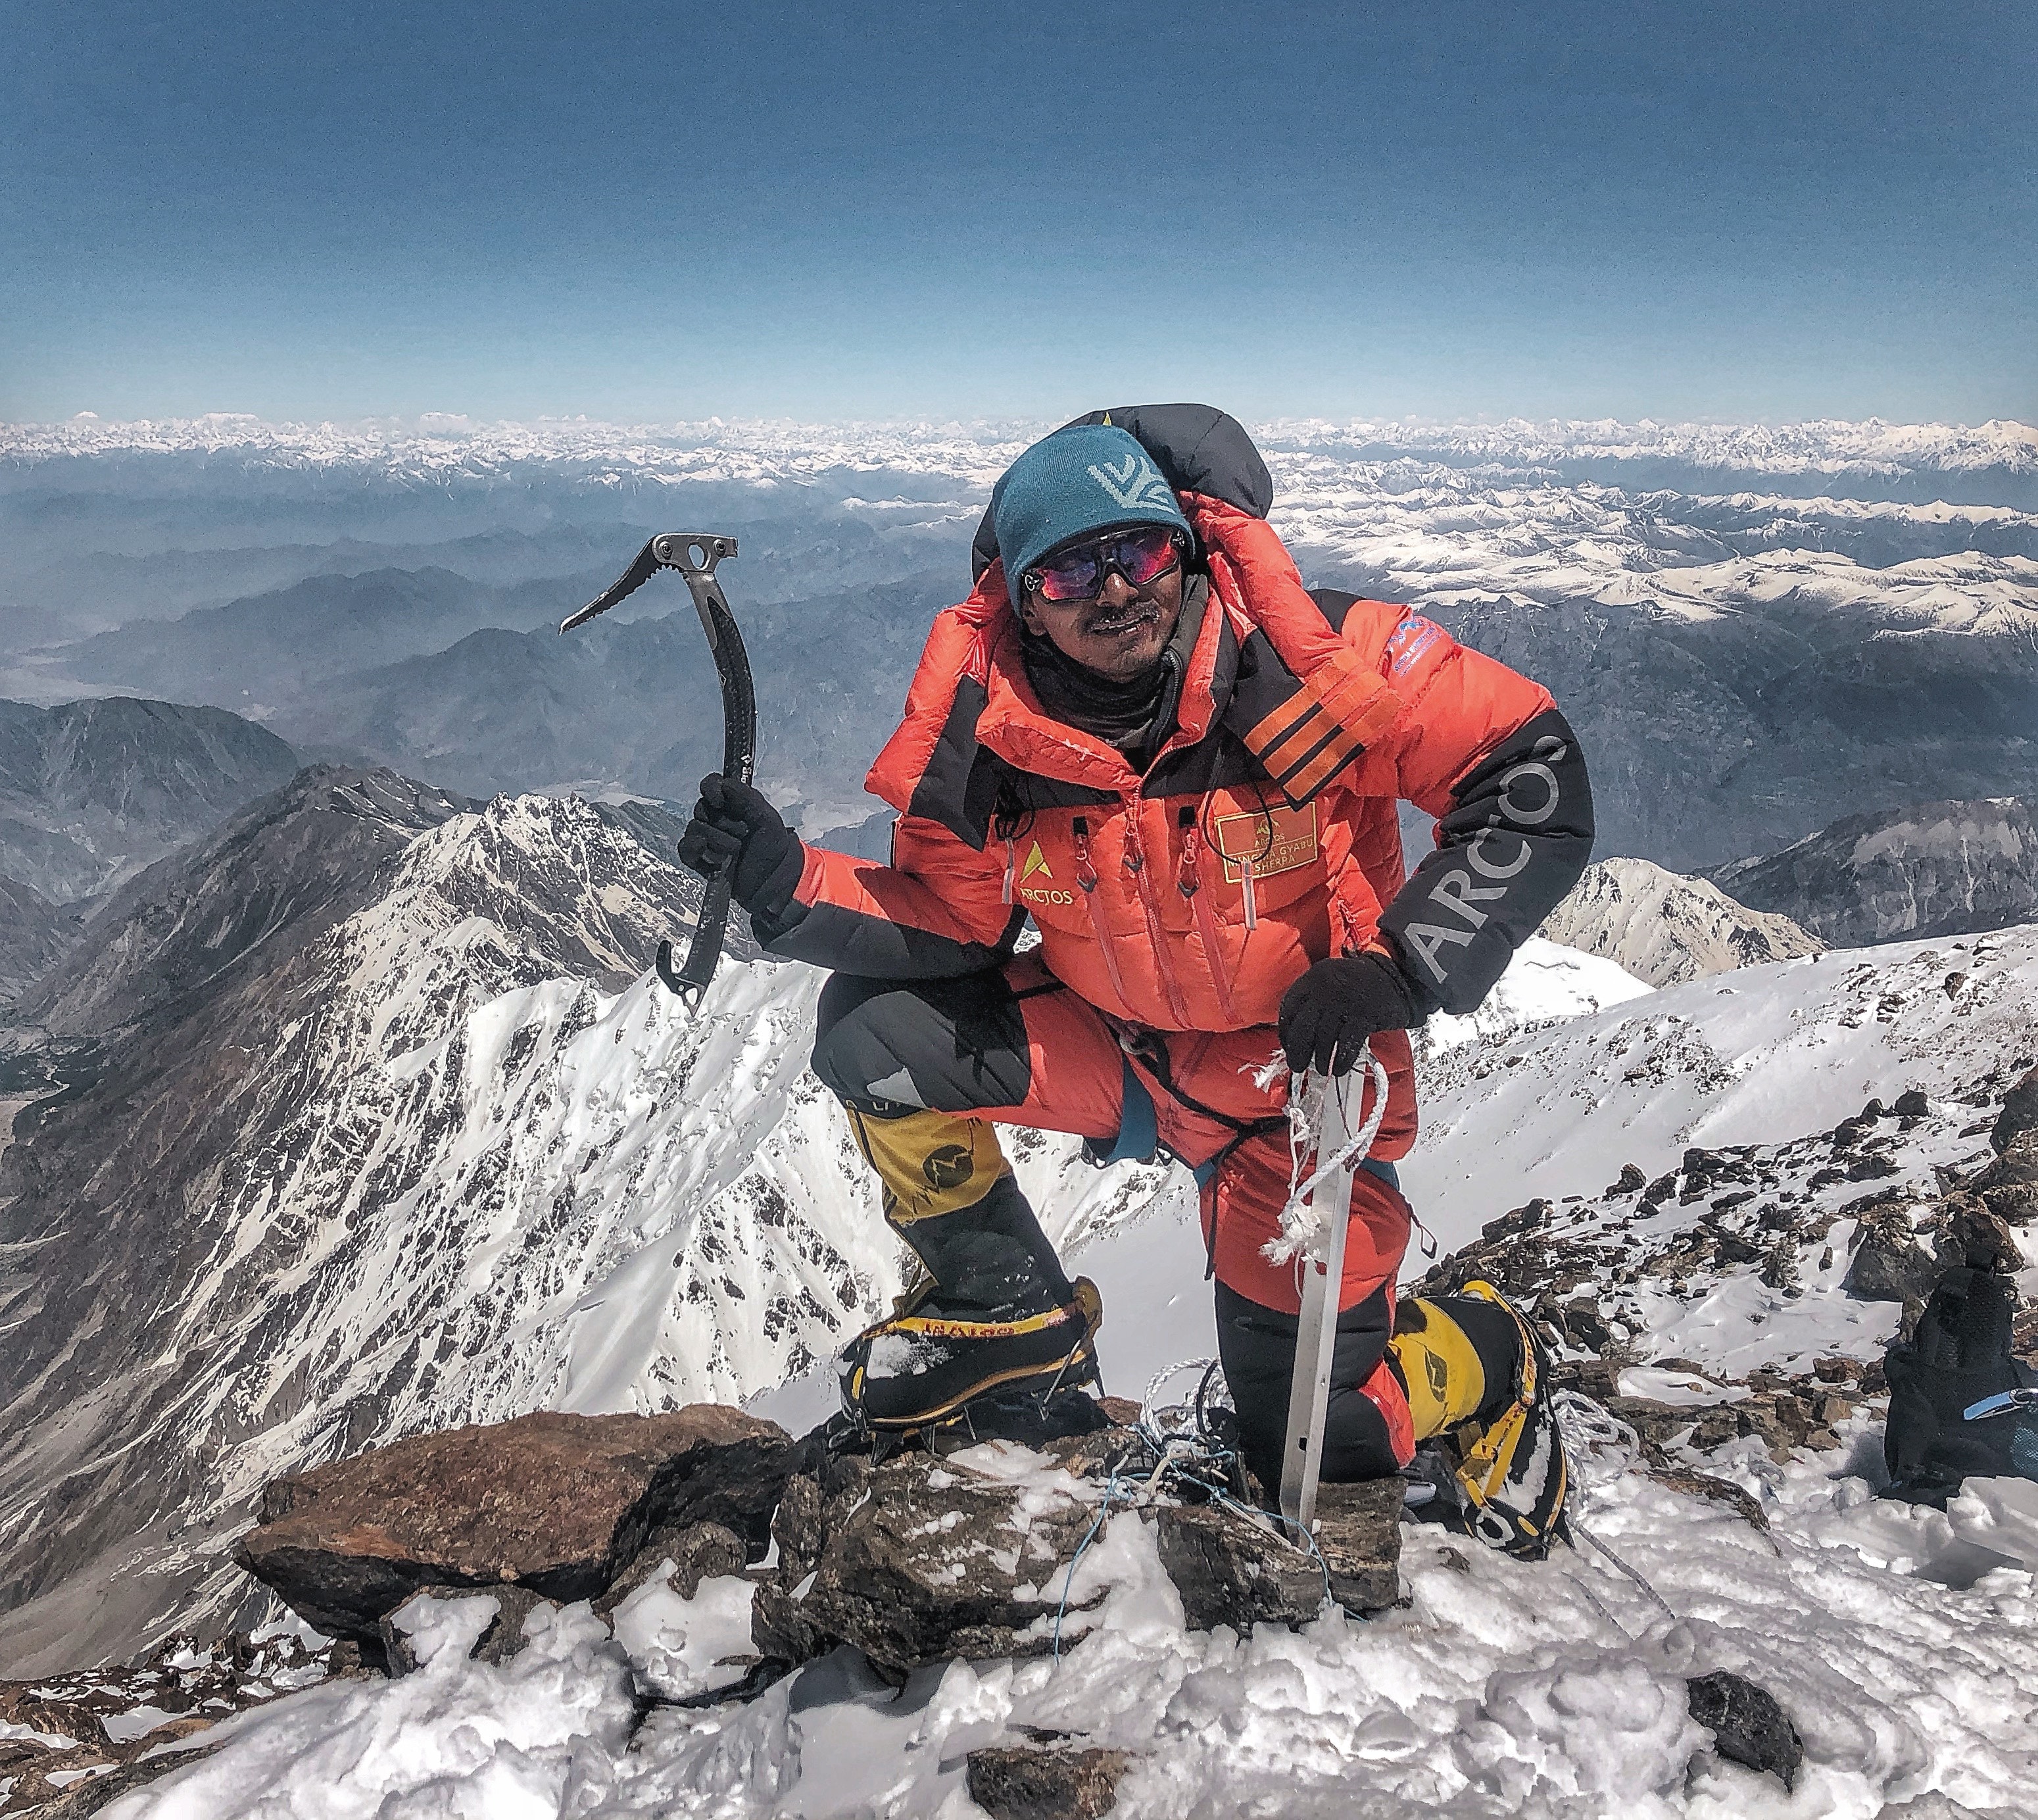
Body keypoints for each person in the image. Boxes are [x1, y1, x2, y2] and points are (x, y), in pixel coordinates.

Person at [678, 406, 1594, 1554]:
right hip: (1123, 1056)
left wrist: (1398, 973)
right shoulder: (991, 738)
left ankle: (1488, 1351)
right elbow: (952, 928)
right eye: (1067, 568)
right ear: (1020, 600)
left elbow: (1530, 773)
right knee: (874, 1037)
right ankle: (1010, 1315)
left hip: (1296, 1097)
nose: (1113, 589)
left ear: (1191, 550)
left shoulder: (1319, 660)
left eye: (1139, 550)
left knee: (1321, 1441)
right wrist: (785, 882)